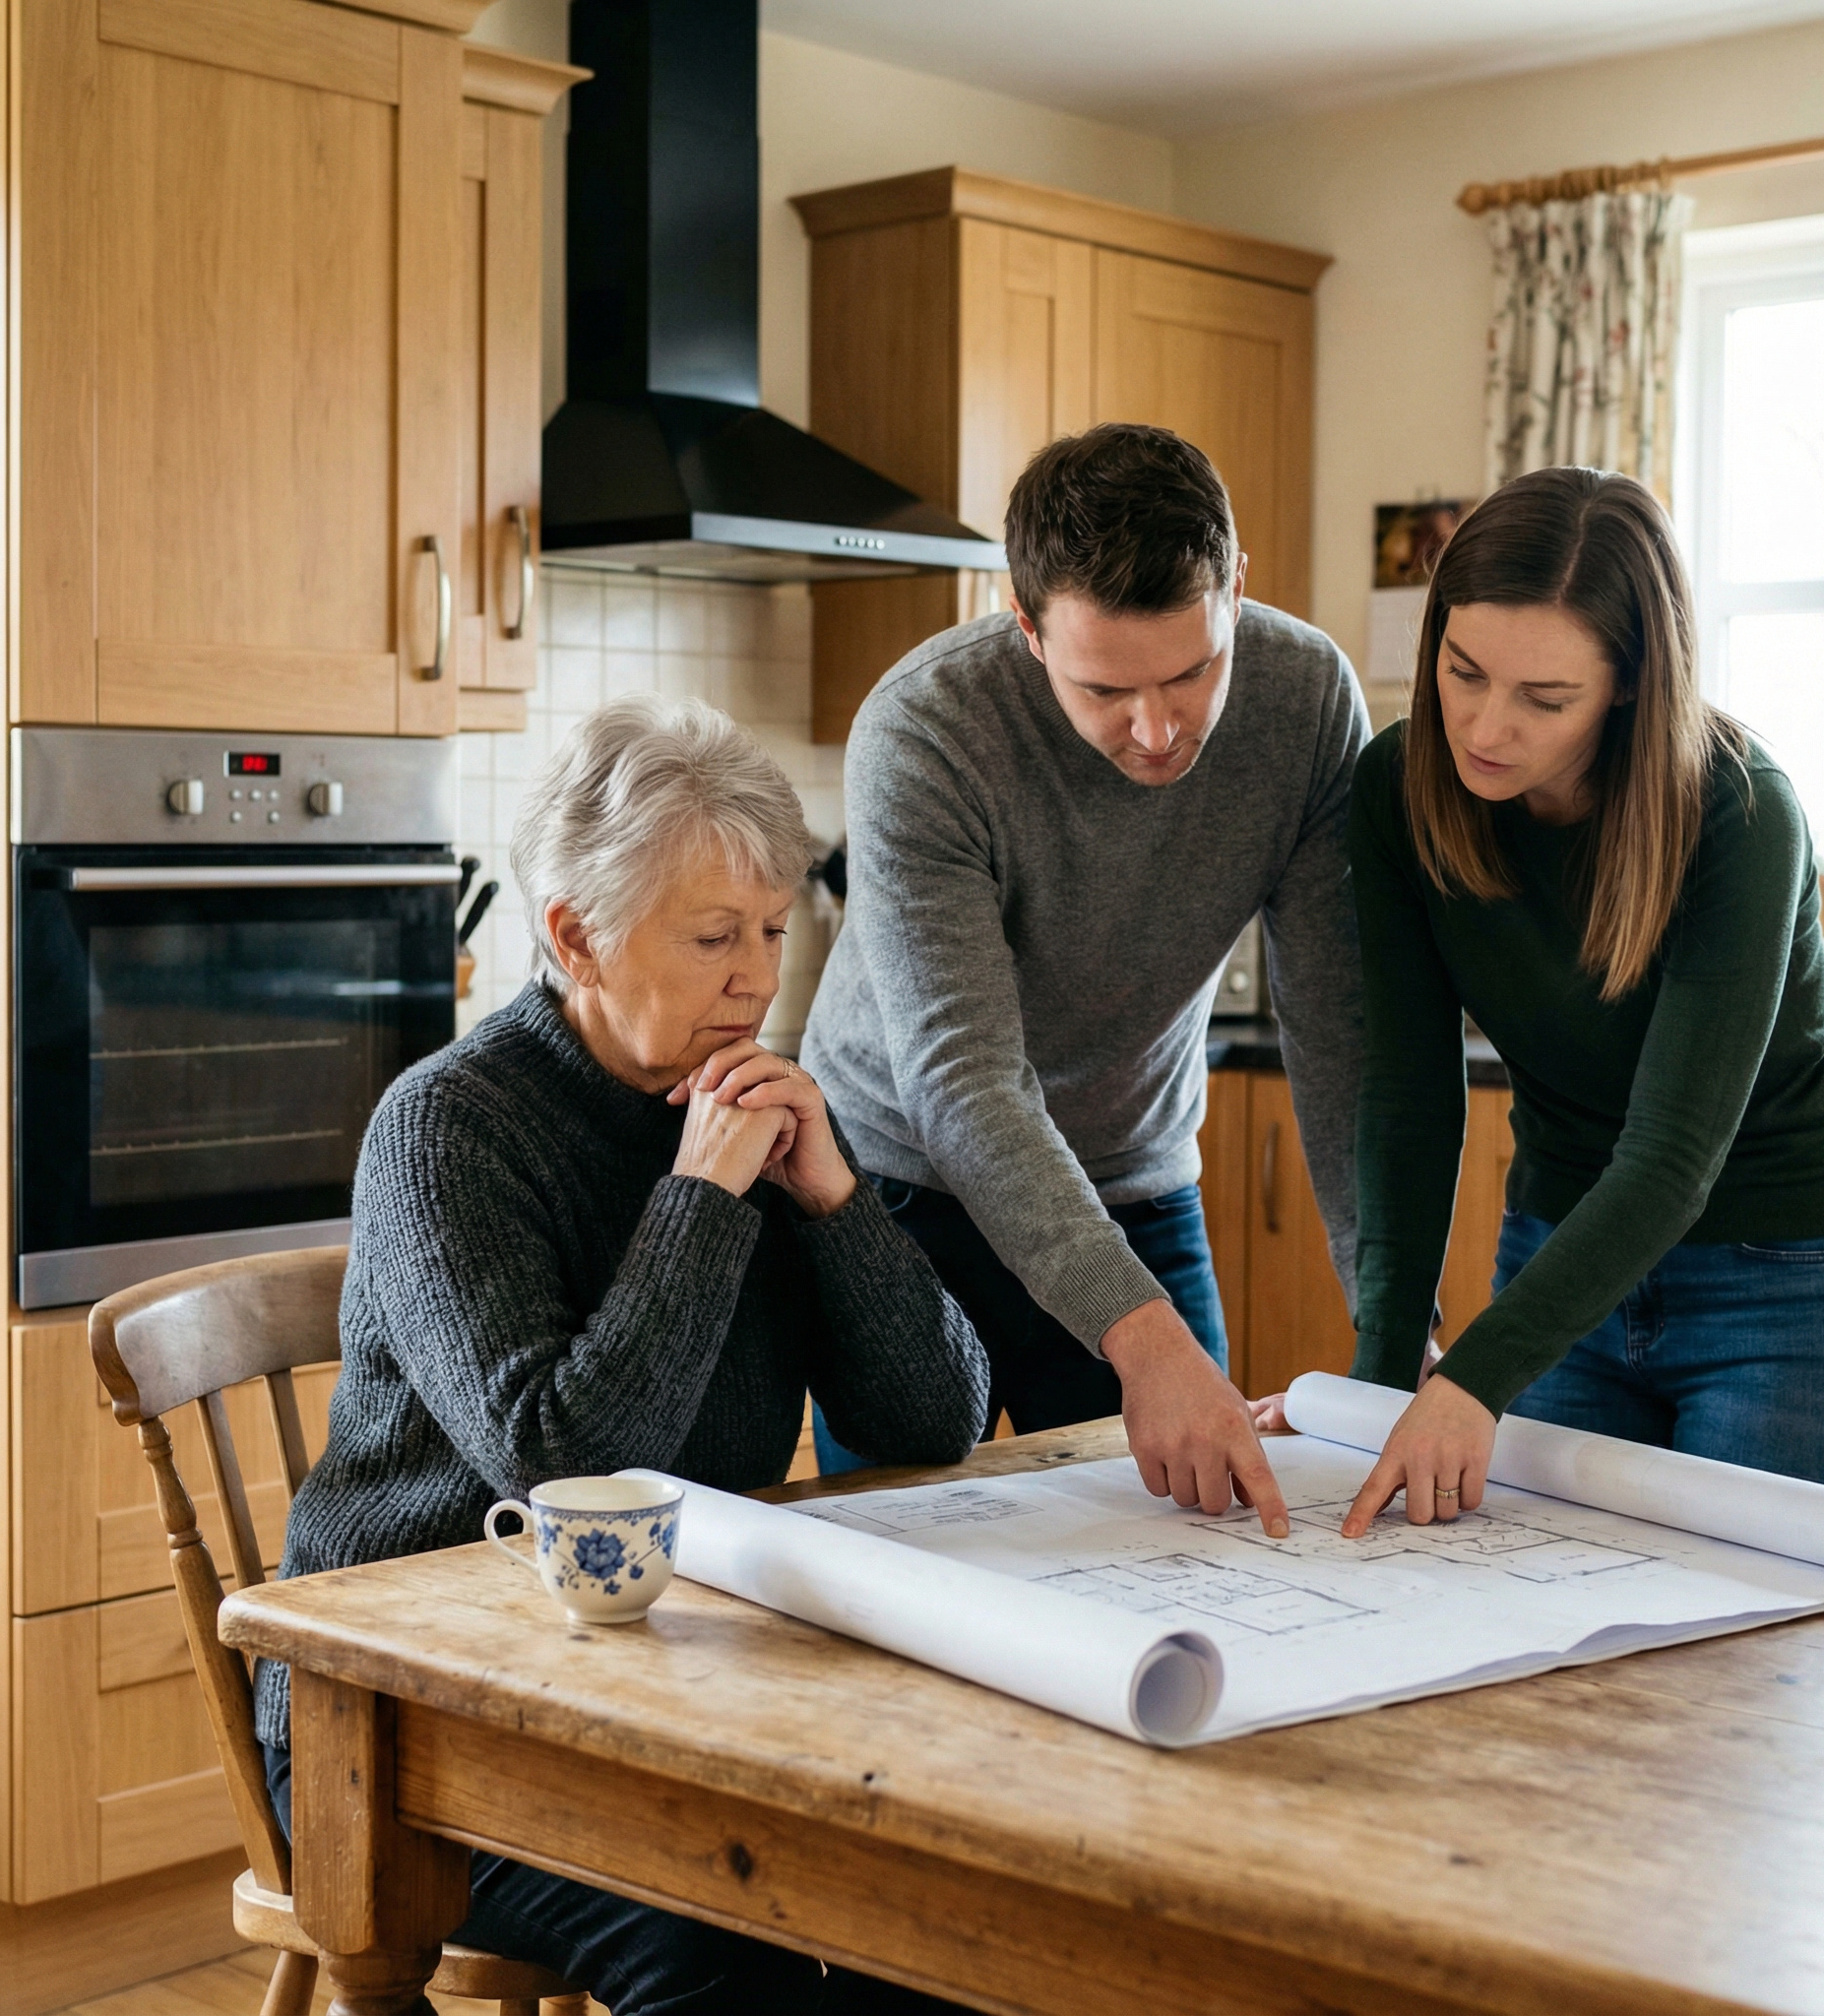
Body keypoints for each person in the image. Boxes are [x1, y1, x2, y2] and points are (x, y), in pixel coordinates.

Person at [253, 696, 988, 2016]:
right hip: (403, 1724)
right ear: (575, 937)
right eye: (713, 936)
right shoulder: (447, 1130)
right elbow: (568, 1466)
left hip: (677, 1681)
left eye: (772, 930)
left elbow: (939, 1420)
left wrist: (834, 1204)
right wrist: (699, 1201)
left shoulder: (748, 1108)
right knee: (728, 1949)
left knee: (948, 1901)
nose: (757, 978)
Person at [1304, 466, 1824, 1536]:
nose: (1484, 728)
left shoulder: (1738, 808)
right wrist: (1384, 1378)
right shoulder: (1399, 787)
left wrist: (1470, 1378)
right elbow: (1406, 1093)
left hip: (1778, 1277)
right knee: (1533, 1608)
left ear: (1627, 684)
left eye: (1544, 698)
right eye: (1462, 671)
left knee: (1743, 1629)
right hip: (1560, 1257)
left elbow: (1670, 1157)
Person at [802, 422, 1368, 1525]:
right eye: (1105, 688)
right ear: (1026, 627)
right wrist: (1144, 1339)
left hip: (1132, 1179)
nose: (1157, 730)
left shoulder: (1305, 701)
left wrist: (1396, 1332)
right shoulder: (925, 728)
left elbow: (1341, 1035)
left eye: (1193, 671)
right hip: (903, 1191)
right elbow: (963, 1080)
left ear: (1237, 590)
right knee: (912, 1550)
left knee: (1194, 1540)